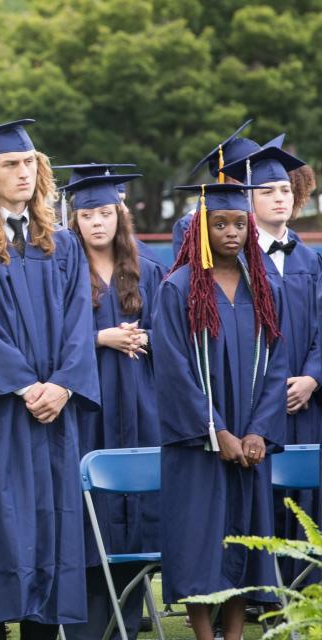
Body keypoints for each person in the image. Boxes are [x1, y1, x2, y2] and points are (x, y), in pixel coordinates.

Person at [0, 119, 100, 640]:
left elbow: (80, 320)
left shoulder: (62, 242)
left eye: (30, 163)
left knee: (49, 532)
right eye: (11, 164)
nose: (23, 172)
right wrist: (26, 386)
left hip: (52, 417)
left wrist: (64, 385)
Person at [155, 182, 285, 640]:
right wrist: (216, 431)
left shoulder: (264, 289)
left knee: (245, 537)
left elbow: (277, 363)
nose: (232, 232)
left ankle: (233, 634)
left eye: (239, 224)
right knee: (198, 541)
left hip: (249, 440)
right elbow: (172, 371)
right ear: (199, 230)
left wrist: (259, 431)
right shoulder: (179, 288)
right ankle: (204, 635)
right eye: (220, 224)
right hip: (198, 444)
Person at [62, 173, 164, 640]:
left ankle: (131, 612)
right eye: (87, 215)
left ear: (119, 215)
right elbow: (50, 339)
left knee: (137, 505)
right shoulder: (60, 267)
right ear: (74, 219)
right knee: (89, 508)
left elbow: (174, 337)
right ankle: (88, 619)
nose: (97, 222)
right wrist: (99, 337)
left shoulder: (148, 267)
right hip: (87, 404)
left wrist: (146, 336)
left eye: (105, 213)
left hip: (141, 400)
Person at [222, 141, 322, 584]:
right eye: (267, 191)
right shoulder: (234, 260)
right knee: (258, 496)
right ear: (247, 199)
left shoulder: (309, 258)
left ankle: (307, 592)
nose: (280, 197)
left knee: (308, 497)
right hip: (255, 404)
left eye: (284, 189)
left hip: (309, 401)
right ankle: (259, 595)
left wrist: (312, 379)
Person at [171, 120, 259, 259]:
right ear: (223, 175)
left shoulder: (264, 216)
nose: (249, 179)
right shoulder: (192, 223)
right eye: (242, 172)